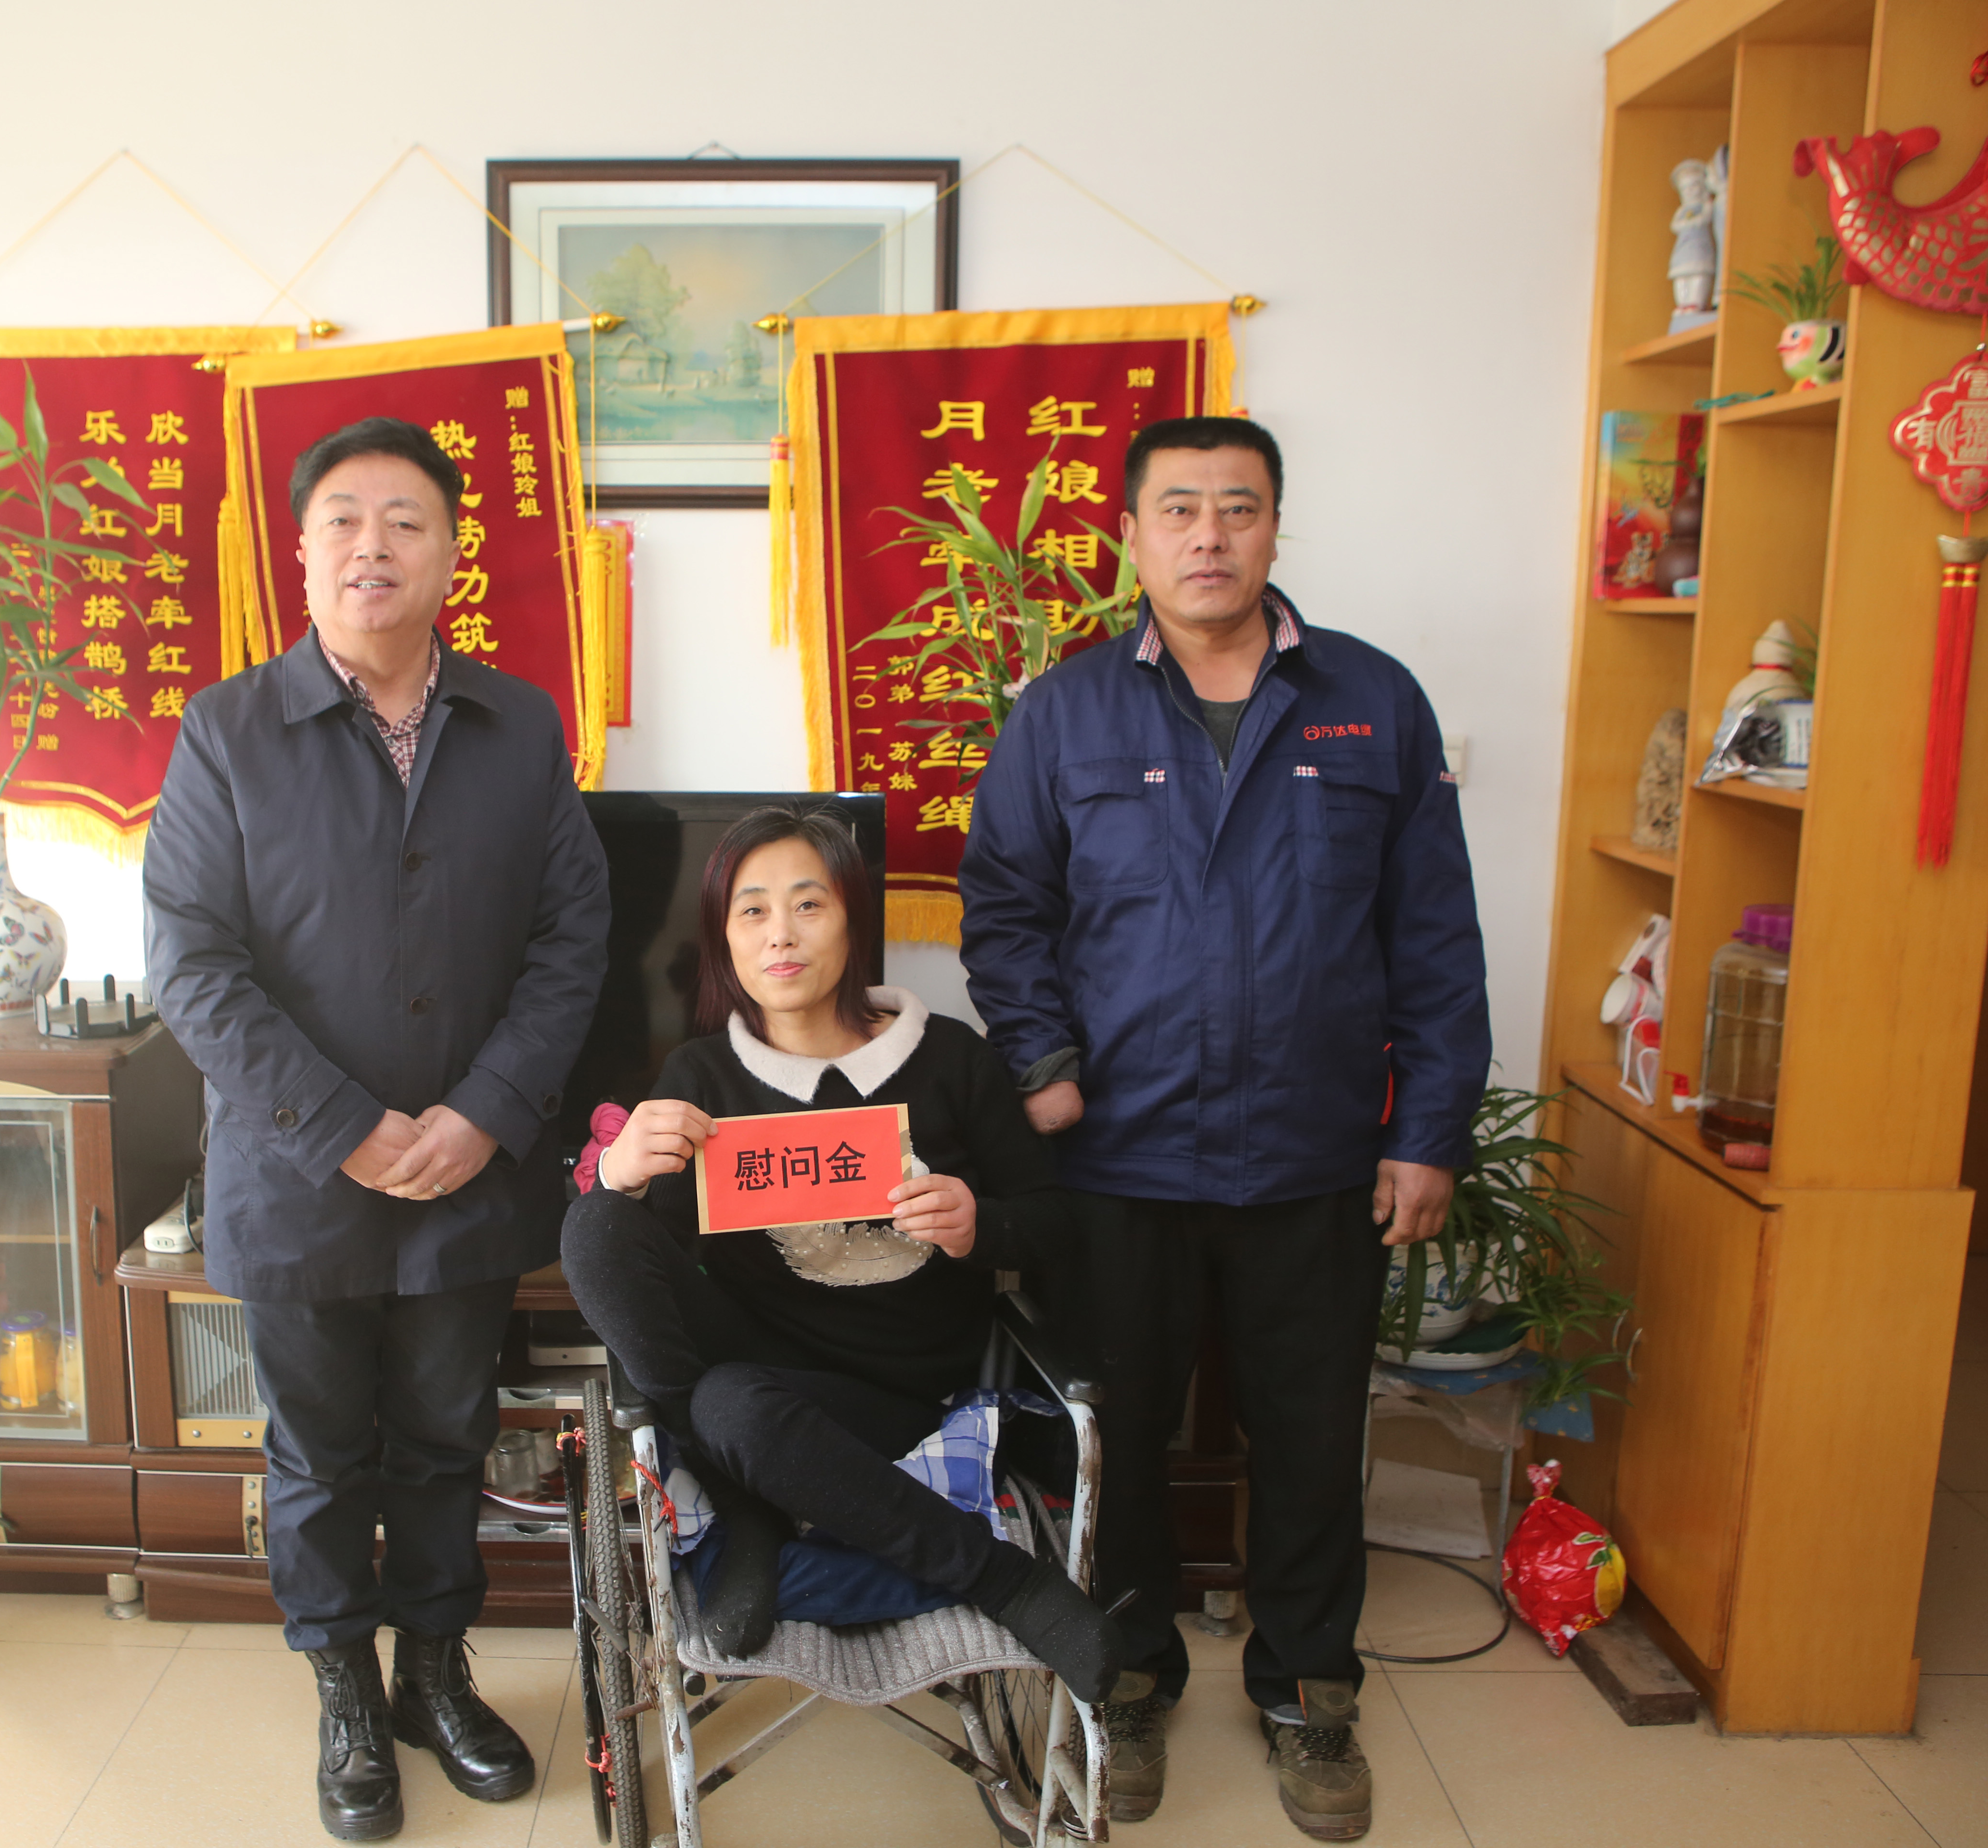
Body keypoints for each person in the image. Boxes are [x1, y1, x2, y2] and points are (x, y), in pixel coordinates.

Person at [957, 416, 1488, 1841]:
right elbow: (1004, 909)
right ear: (1132, 535)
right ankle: (1128, 1677)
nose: (1210, 535)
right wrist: (1041, 1061)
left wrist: (1430, 1131)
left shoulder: (1372, 702)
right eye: (1181, 508)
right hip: (1117, 1156)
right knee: (1115, 1435)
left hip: (1315, 1153)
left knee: (1310, 1437)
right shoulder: (1067, 712)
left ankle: (1311, 1690)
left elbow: (1435, 935)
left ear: (1275, 527)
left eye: (1238, 508)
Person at [144, 415, 608, 1842]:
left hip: (468, 1176)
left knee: (448, 1441)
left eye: (406, 520)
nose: (373, 546)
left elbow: (572, 939)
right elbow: (191, 965)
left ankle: (434, 1677)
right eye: (344, 519)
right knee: (317, 1455)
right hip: (297, 1180)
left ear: (451, 554)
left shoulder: (519, 726)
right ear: (300, 553)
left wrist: (486, 1113)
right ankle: (345, 1691)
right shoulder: (228, 732)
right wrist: (342, 1126)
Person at [561, 804, 1124, 1704]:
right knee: (597, 1228)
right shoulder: (701, 1076)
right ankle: (748, 1504)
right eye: (751, 911)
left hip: (900, 1393)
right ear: (725, 941)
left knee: (735, 1408)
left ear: (854, 920)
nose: (779, 934)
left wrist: (979, 1224)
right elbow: (649, 1262)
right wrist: (620, 1177)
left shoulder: (949, 1058)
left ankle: (1007, 1584)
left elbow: (1057, 1221)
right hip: (751, 1368)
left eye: (807, 904)